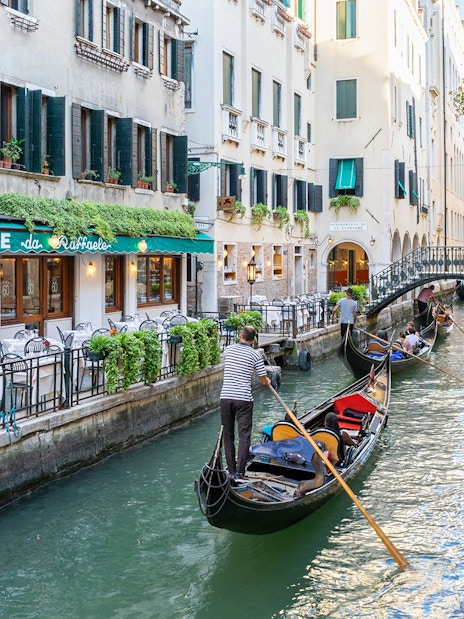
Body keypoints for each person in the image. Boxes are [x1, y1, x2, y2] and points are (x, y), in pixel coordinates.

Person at [220, 325, 271, 483]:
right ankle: (239, 473)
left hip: (226, 397)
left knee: (228, 435)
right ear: (253, 340)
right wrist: (267, 380)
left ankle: (230, 470)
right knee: (244, 436)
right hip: (243, 399)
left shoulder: (228, 350)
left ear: (240, 336)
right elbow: (263, 380)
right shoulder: (255, 355)